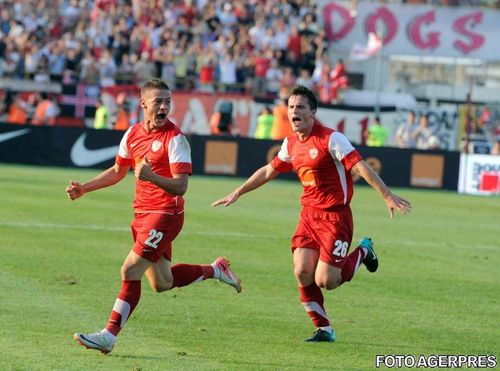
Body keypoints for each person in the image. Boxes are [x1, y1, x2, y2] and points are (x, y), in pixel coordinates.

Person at [212, 85, 411, 342]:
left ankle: (364, 250)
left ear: (313, 112)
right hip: (308, 216)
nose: (294, 111)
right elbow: (269, 171)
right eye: (292, 107)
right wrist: (238, 192)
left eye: (300, 107)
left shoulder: (331, 139)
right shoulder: (291, 143)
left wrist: (387, 195)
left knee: (327, 280)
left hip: (336, 218)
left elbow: (360, 167)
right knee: (302, 272)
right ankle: (324, 329)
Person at [67, 79, 241, 354]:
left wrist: (151, 176)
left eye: (167, 102)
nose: (164, 107)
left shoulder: (175, 139)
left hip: (166, 213)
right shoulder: (133, 134)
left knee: (130, 270)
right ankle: (215, 270)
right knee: (162, 282)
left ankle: (109, 335)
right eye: (158, 101)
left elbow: (182, 186)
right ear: (143, 103)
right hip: (142, 213)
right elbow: (117, 171)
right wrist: (84, 188)